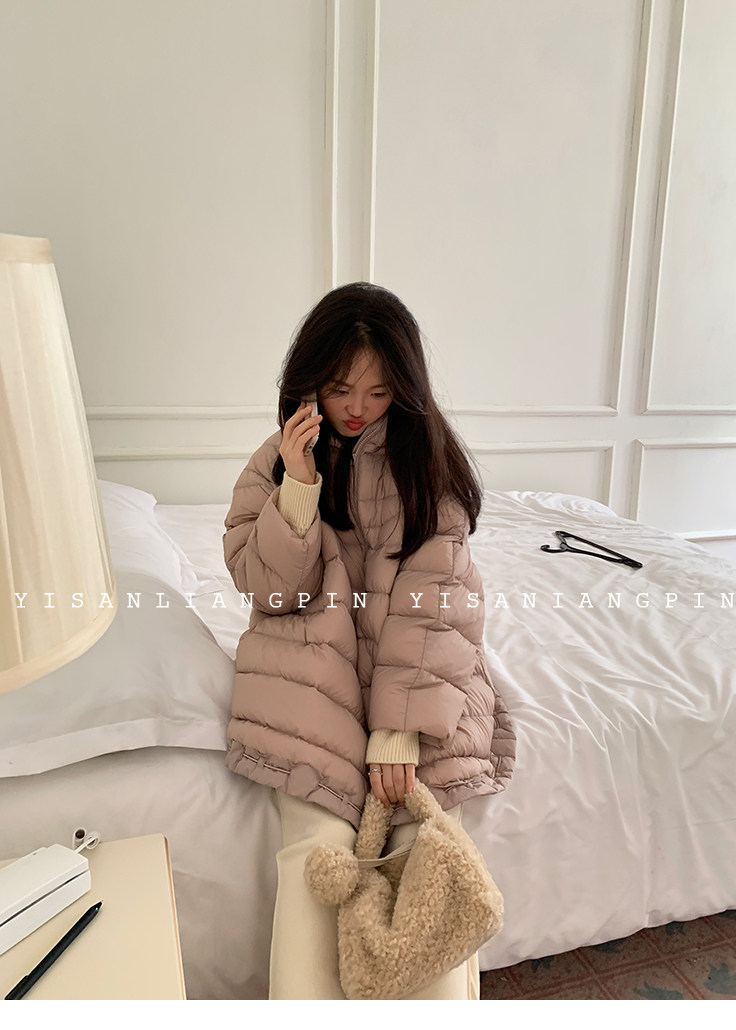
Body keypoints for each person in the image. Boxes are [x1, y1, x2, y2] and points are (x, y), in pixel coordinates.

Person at [222, 282, 516, 1000]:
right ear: (308, 383)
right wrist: (298, 486)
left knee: (425, 848)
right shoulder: (275, 461)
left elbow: (438, 599)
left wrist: (400, 729)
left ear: (405, 390)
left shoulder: (426, 466)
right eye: (340, 389)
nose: (357, 408)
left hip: (419, 681)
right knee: (315, 852)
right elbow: (270, 590)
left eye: (379, 392)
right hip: (308, 676)